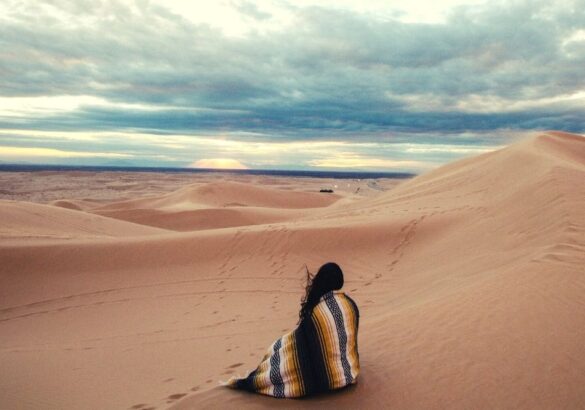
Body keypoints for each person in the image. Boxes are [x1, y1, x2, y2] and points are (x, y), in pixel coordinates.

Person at [225, 262, 360, 398]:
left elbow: (303, 349)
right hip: (349, 375)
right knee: (286, 345)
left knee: (281, 350)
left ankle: (259, 378)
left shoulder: (316, 314)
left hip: (328, 384)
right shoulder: (350, 305)